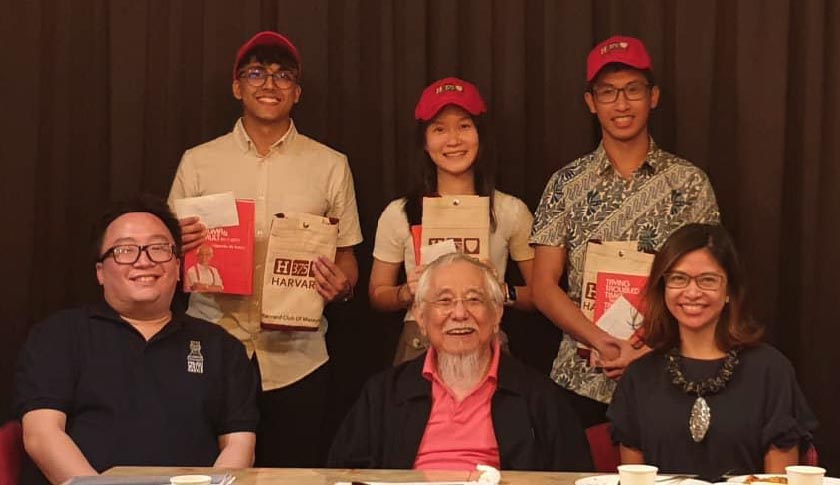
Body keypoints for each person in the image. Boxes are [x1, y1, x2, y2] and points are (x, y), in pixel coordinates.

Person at [168, 31, 363, 466]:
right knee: (205, 472)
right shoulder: (197, 161)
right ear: (237, 86)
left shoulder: (330, 164)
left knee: (292, 473)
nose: (269, 84)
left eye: (282, 74)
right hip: (212, 346)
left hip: (299, 358)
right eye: (256, 72)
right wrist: (176, 247)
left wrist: (342, 284)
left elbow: (347, 254)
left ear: (298, 92)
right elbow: (165, 252)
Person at [530, 35, 720, 427]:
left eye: (633, 90)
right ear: (590, 102)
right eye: (608, 92)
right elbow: (543, 286)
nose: (621, 103)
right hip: (579, 377)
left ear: (653, 97)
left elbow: (710, 278)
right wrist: (601, 340)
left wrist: (650, 345)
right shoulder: (566, 183)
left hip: (670, 367)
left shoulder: (689, 183)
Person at [13, 197, 258, 485]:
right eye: (125, 250)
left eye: (158, 248)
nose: (144, 261)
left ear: (178, 266)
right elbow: (42, 435)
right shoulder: (58, 335)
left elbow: (239, 445)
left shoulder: (222, 347)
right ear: (100, 272)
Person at [328, 253, 592, 471]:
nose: (459, 313)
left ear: (497, 313)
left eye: (474, 300)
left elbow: (573, 476)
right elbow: (346, 473)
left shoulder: (538, 395)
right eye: (444, 301)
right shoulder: (384, 393)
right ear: (421, 317)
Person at [607, 223, 817, 475]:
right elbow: (634, 480)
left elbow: (777, 481)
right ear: (663, 288)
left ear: (729, 289)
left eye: (707, 280)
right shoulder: (639, 376)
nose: (692, 292)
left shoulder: (771, 371)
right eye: (678, 279)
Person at [370, 77, 535, 364]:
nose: (453, 140)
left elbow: (540, 294)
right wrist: (405, 292)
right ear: (425, 141)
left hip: (486, 339)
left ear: (480, 134)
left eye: (464, 126)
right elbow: (377, 294)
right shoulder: (399, 213)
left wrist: (501, 288)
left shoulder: (510, 211)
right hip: (419, 341)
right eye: (439, 129)